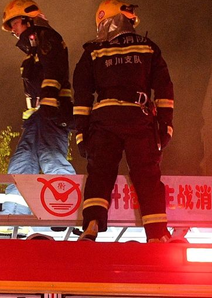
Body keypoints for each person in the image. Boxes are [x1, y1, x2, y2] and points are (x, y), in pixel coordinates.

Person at [72, 1, 174, 242]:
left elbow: (82, 95)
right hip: (139, 119)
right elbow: (164, 90)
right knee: (147, 175)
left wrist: (81, 134)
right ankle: (157, 234)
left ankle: (92, 226)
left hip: (105, 120)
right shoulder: (148, 47)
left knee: (100, 172)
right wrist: (165, 126)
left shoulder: (93, 52)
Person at [0, 1, 75, 217]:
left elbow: (53, 71)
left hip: (52, 112)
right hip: (37, 116)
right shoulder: (33, 49)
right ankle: (14, 215)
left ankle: (66, 211)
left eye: (14, 23)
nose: (13, 30)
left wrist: (50, 102)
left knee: (51, 158)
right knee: (22, 161)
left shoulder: (47, 38)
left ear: (28, 19)